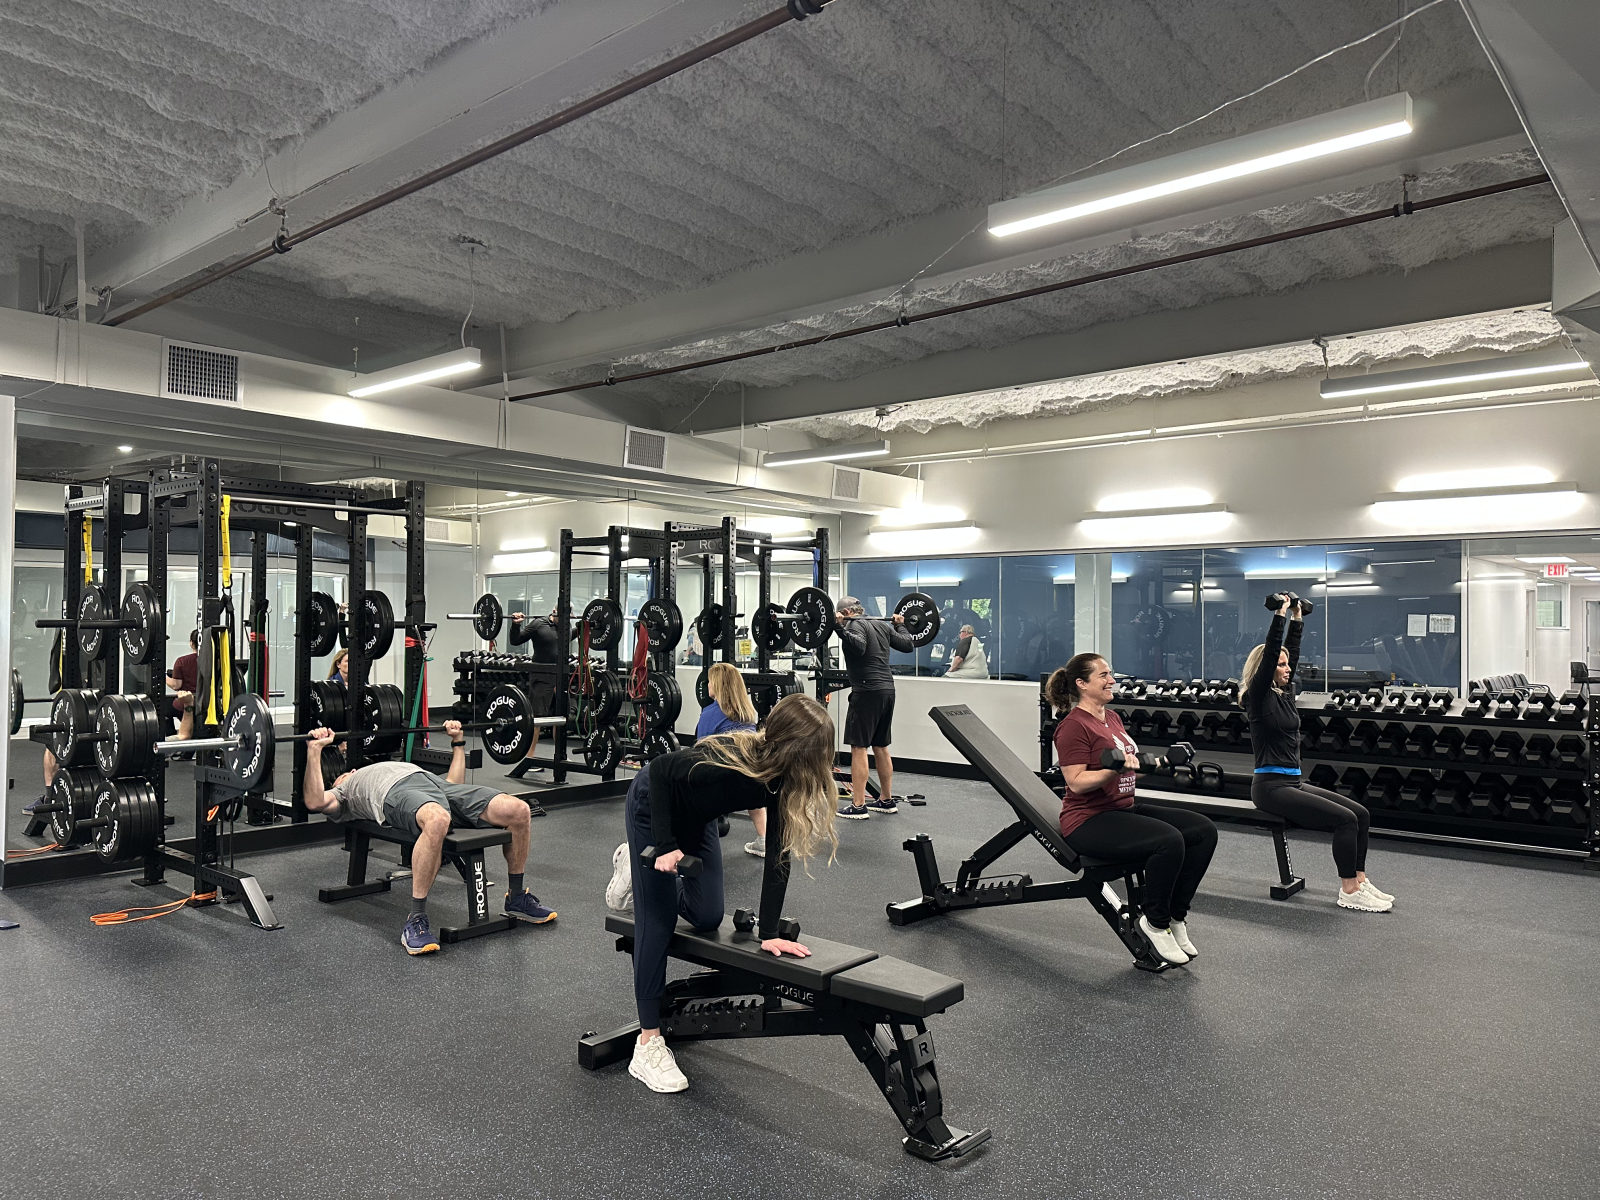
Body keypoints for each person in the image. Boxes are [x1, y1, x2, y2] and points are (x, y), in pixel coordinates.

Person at [603, 693, 837, 1093]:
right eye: (820, 754)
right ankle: (648, 1043)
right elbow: (660, 771)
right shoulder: (727, 763)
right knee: (657, 921)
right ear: (797, 751)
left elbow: (777, 855)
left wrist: (769, 933)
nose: (825, 765)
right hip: (653, 807)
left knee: (708, 916)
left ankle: (641, 878)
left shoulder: (781, 779)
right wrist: (664, 845)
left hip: (698, 818)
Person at [301, 718, 556, 954]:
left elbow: (454, 781)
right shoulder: (345, 792)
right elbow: (314, 801)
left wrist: (458, 741)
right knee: (437, 819)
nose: (348, 773)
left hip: (433, 783)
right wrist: (314, 750)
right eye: (340, 777)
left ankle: (517, 897)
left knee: (519, 810)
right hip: (395, 793)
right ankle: (416, 919)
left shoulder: (385, 766)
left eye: (347, 772)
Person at [1049, 653, 1218, 966]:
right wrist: (1113, 770)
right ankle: (1155, 923)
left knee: (1203, 831)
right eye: (1103, 675)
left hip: (1122, 808)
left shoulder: (1112, 718)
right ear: (1082, 684)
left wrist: (1164, 762)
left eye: (1110, 674)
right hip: (1088, 820)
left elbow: (1131, 769)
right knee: (1169, 841)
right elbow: (1076, 782)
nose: (1112, 680)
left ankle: (1175, 917)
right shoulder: (1072, 727)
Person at [1243, 597, 1395, 912]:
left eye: (1287, 665)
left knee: (1361, 814)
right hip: (1270, 787)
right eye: (1280, 665)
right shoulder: (1258, 698)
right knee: (1345, 820)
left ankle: (1360, 880)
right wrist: (1280, 615)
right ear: (1266, 669)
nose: (1287, 668)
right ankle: (1349, 890)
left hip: (1292, 783)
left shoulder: (1284, 694)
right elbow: (1271, 653)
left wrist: (1298, 618)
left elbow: (1291, 652)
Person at [835, 596, 913, 819]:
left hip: (867, 691)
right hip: (887, 690)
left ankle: (858, 805)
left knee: (859, 747)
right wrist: (900, 625)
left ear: (846, 612)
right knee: (880, 745)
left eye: (841, 615)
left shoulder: (854, 624)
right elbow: (908, 644)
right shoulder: (881, 624)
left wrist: (838, 628)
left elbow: (859, 646)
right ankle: (886, 800)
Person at [694, 662, 766, 858]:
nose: (708, 685)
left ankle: (700, 842)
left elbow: (700, 752)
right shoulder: (748, 713)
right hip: (751, 782)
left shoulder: (709, 713)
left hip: (721, 785)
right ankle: (763, 840)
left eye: (710, 681)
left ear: (718, 685)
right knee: (748, 773)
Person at [508, 608, 563, 777]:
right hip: (541, 675)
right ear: (554, 611)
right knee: (537, 718)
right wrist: (515, 625)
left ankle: (560, 757)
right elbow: (516, 640)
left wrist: (589, 625)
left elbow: (578, 632)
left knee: (560, 718)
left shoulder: (565, 627)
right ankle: (529, 758)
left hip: (559, 676)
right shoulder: (538, 624)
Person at [165, 630, 199, 739]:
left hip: (185, 704)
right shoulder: (216, 662)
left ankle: (172, 739)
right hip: (207, 705)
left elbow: (176, 685)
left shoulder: (182, 661)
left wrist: (164, 677)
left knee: (164, 710)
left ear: (191, 643)